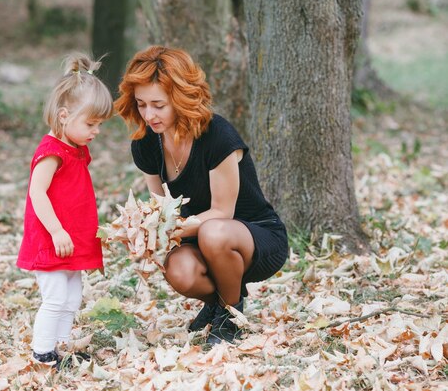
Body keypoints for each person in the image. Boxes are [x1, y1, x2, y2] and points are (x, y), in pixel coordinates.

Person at [114, 46, 289, 345]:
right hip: (199, 239)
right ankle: (221, 300)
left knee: (214, 232)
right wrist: (146, 228)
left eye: (158, 104)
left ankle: (231, 315)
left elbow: (223, 212)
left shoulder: (217, 134)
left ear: (180, 98)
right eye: (142, 104)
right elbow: (163, 209)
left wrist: (167, 227)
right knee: (179, 272)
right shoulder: (145, 142)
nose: (149, 114)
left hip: (254, 236)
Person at [17, 53, 113, 366]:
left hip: (70, 237)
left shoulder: (76, 149)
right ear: (63, 115)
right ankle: (43, 354)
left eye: (99, 124)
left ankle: (61, 348)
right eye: (90, 123)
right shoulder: (50, 152)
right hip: (51, 238)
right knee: (56, 296)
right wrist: (56, 230)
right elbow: (37, 193)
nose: (96, 131)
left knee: (72, 297)